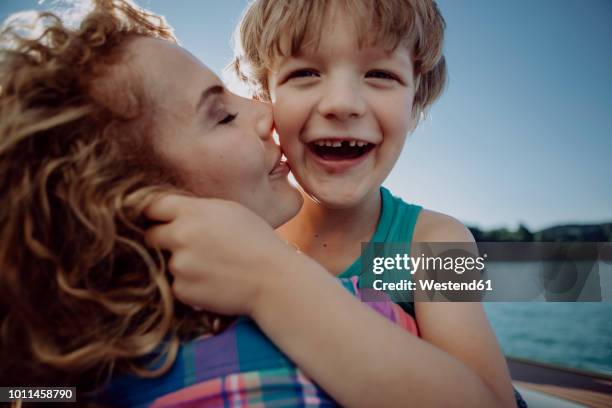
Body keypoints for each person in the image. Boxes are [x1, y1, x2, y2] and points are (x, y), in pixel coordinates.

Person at [0, 1, 420, 407]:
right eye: (305, 74)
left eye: (382, 75)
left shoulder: (438, 244)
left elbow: (486, 396)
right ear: (266, 93)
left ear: (418, 96)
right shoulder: (245, 226)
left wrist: (271, 282)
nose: (342, 103)